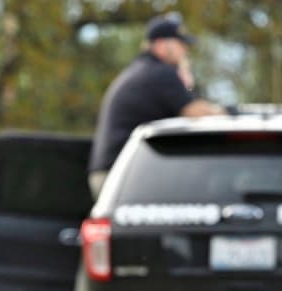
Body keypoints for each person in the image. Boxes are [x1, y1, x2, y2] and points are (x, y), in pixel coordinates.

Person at [87, 13, 224, 197]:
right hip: (121, 176)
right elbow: (198, 114)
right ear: (161, 45)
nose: (185, 51)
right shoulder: (161, 73)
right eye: (180, 44)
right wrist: (229, 113)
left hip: (113, 174)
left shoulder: (144, 70)